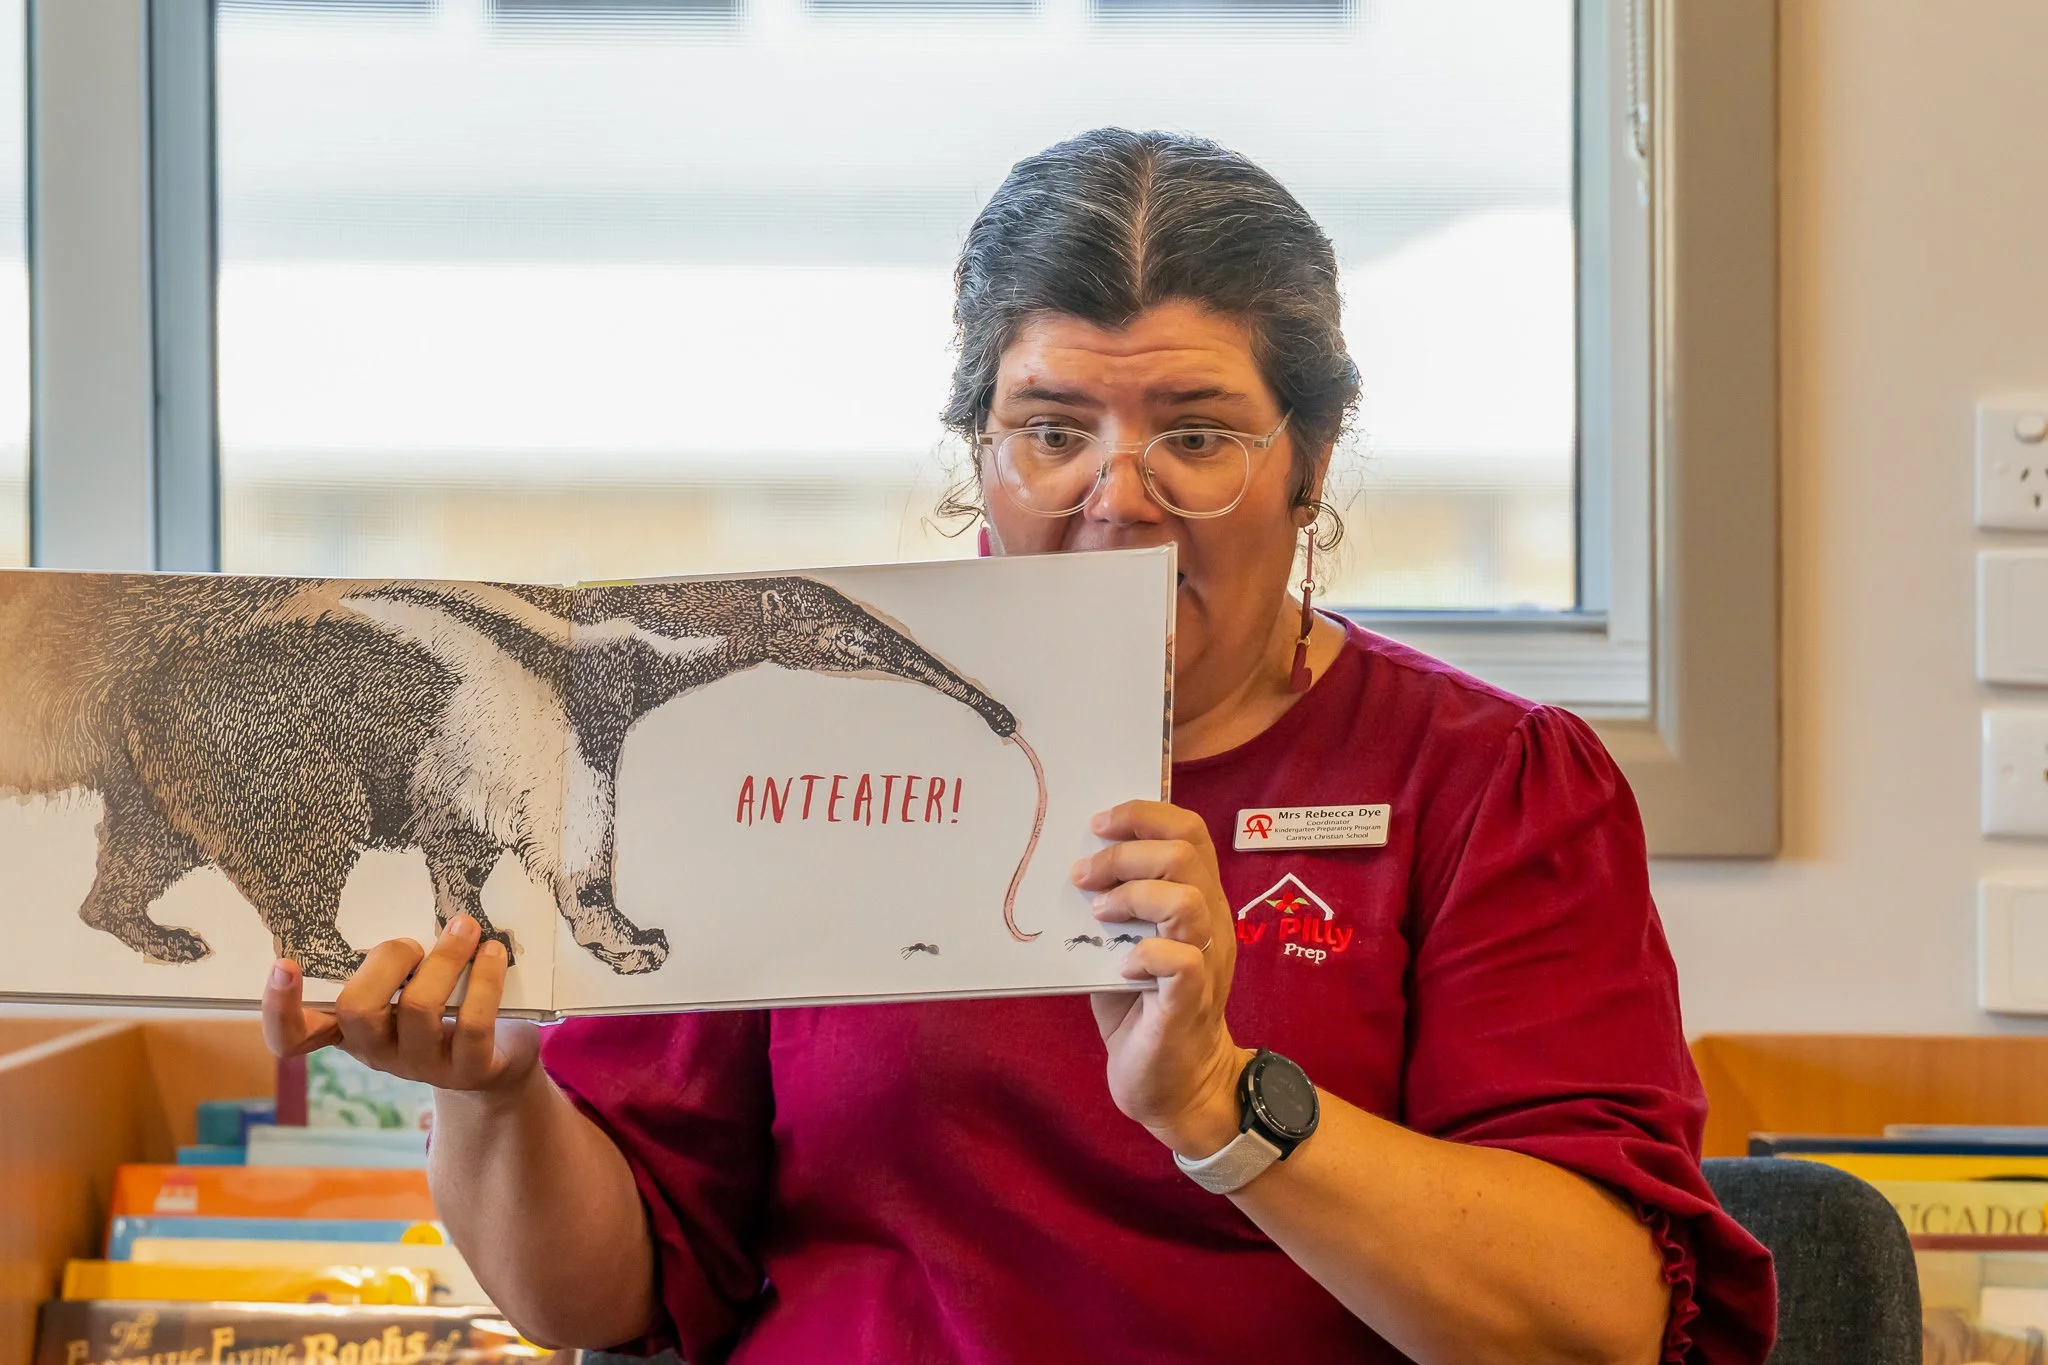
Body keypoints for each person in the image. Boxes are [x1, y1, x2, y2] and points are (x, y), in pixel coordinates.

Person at [261, 129, 1777, 1364]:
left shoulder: (1486, 781)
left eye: (1197, 433)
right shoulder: (773, 748)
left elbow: (1602, 1323)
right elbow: (599, 1301)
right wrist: (494, 1093)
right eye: (1053, 428)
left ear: (1309, 466)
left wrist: (1220, 1110)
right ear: (978, 452)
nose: (1120, 497)